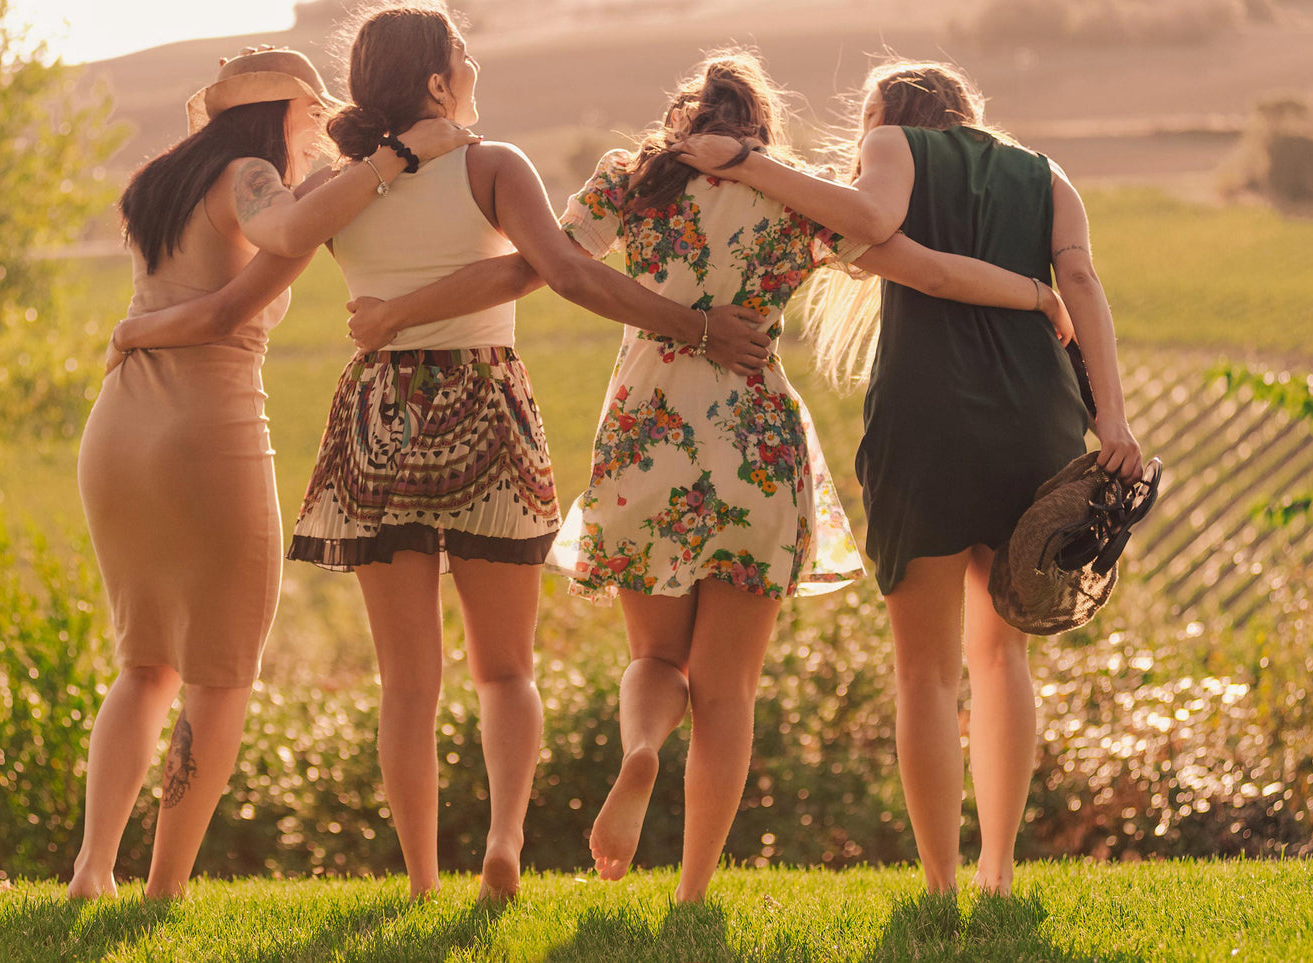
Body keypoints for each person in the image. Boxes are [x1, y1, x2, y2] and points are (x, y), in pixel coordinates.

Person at [347, 50, 1076, 903]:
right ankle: (692, 891)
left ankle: (642, 748)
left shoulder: (631, 176)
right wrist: (1036, 295)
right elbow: (923, 267)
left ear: (685, 115)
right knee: (727, 691)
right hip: (754, 443)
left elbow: (538, 266)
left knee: (656, 657)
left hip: (645, 433)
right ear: (759, 124)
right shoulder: (795, 196)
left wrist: (400, 309)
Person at [273, 6, 777, 904]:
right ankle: (502, 839)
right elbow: (568, 272)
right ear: (436, 79)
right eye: (463, 54)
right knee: (504, 668)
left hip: (378, 409)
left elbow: (279, 243)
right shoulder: (492, 165)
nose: (474, 66)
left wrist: (390, 311)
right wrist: (698, 326)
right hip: (482, 402)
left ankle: (423, 882)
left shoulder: (343, 185)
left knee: (405, 682)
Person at [675, 59, 1143, 896]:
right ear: (968, 110)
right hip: (1036, 417)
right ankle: (998, 871)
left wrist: (743, 163)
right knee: (1003, 658)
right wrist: (1110, 415)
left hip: (925, 424)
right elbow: (1081, 283)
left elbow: (879, 227)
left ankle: (940, 881)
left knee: (923, 670)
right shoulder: (1044, 174)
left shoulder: (891, 144)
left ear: (885, 114)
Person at [69, 46, 475, 900]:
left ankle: (91, 868)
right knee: (219, 672)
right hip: (202, 430)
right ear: (285, 111)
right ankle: (163, 888)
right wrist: (397, 158)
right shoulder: (250, 173)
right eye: (310, 113)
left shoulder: (160, 182)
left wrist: (132, 333)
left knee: (142, 663)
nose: (317, 127)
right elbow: (240, 290)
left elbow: (208, 285)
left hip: (117, 430)